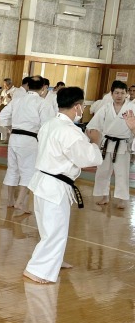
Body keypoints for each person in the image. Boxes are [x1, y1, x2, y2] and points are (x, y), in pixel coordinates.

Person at [23, 87, 102, 284]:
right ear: (77, 106)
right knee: (54, 232)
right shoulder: (70, 131)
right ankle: (37, 271)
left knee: (49, 228)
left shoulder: (50, 124)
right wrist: (95, 142)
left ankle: (54, 261)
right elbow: (87, 159)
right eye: (82, 106)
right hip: (54, 185)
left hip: (43, 181)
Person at [0, 76, 53, 215]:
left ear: (28, 86)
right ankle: (19, 202)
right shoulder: (43, 103)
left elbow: (3, 116)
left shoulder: (17, 100)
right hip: (30, 139)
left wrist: (11, 128)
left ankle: (10, 200)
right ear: (43, 88)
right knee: (28, 171)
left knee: (13, 169)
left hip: (14, 137)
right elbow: (47, 125)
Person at [86, 81, 135, 208]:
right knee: (102, 171)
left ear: (126, 94)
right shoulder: (106, 107)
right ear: (112, 94)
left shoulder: (132, 108)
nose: (119, 96)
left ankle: (122, 199)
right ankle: (104, 196)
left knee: (122, 173)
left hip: (122, 144)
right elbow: (94, 124)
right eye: (116, 93)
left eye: (122, 93)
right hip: (106, 143)